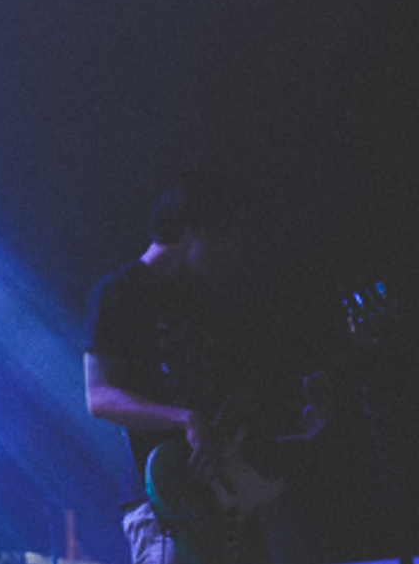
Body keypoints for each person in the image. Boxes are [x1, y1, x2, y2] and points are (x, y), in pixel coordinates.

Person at [84, 172, 306, 564]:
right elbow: (99, 397)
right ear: (195, 230)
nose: (233, 251)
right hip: (165, 502)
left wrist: (298, 421)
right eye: (227, 237)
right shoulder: (119, 292)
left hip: (229, 501)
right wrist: (185, 419)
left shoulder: (207, 300)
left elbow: (236, 399)